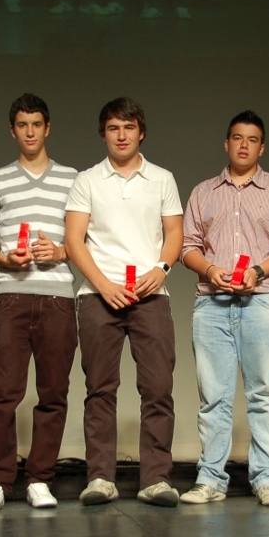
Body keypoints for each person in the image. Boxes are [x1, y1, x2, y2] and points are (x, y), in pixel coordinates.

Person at [179, 111, 269, 506]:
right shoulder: (203, 192)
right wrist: (211, 269)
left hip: (263, 301)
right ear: (227, 143)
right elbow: (187, 247)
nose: (244, 145)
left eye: (252, 139)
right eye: (237, 138)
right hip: (212, 305)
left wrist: (257, 270)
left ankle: (267, 479)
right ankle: (211, 480)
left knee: (265, 395)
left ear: (261, 147)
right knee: (213, 397)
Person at [64, 97, 184, 507]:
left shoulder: (162, 179)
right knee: (99, 389)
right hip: (99, 297)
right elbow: (73, 240)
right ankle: (100, 478)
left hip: (151, 295)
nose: (121, 135)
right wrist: (102, 284)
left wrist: (162, 269)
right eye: (113, 128)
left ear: (141, 132)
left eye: (129, 127)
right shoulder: (87, 180)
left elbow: (174, 235)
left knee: (158, 388)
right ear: (104, 134)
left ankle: (156, 479)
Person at [0, 94, 79, 511]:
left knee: (53, 393)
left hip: (57, 297)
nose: (31, 131)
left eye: (37, 124)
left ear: (48, 127)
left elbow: (88, 239)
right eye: (22, 125)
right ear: (13, 129)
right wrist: (5, 257)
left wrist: (61, 252)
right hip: (12, 297)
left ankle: (40, 478)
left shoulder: (74, 179)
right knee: (2, 392)